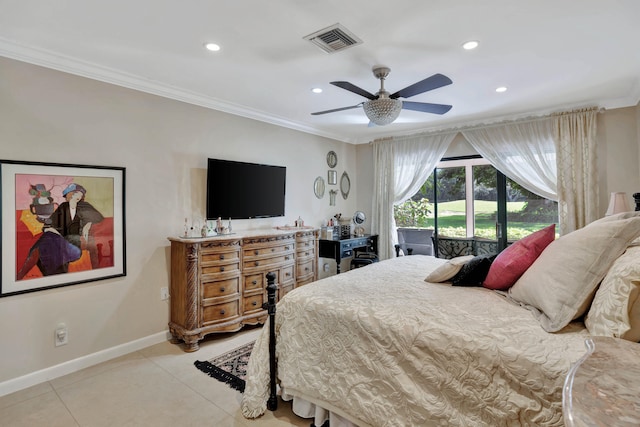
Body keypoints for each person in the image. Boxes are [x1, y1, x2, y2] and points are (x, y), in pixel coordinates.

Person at [17, 183, 104, 279]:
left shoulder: (84, 206)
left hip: (74, 241)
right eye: (69, 194)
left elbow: (98, 217)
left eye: (75, 194)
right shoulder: (63, 206)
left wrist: (88, 223)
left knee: (42, 244)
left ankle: (21, 274)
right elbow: (50, 222)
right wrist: (50, 229)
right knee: (47, 238)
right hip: (58, 238)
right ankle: (25, 274)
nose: (71, 196)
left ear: (81, 196)